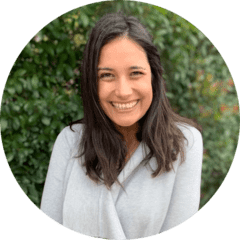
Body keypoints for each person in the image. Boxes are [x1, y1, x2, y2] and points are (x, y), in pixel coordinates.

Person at [40, 12, 203, 239]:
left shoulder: (185, 143)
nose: (123, 91)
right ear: (92, 82)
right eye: (107, 75)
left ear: (154, 78)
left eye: (136, 73)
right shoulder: (70, 141)